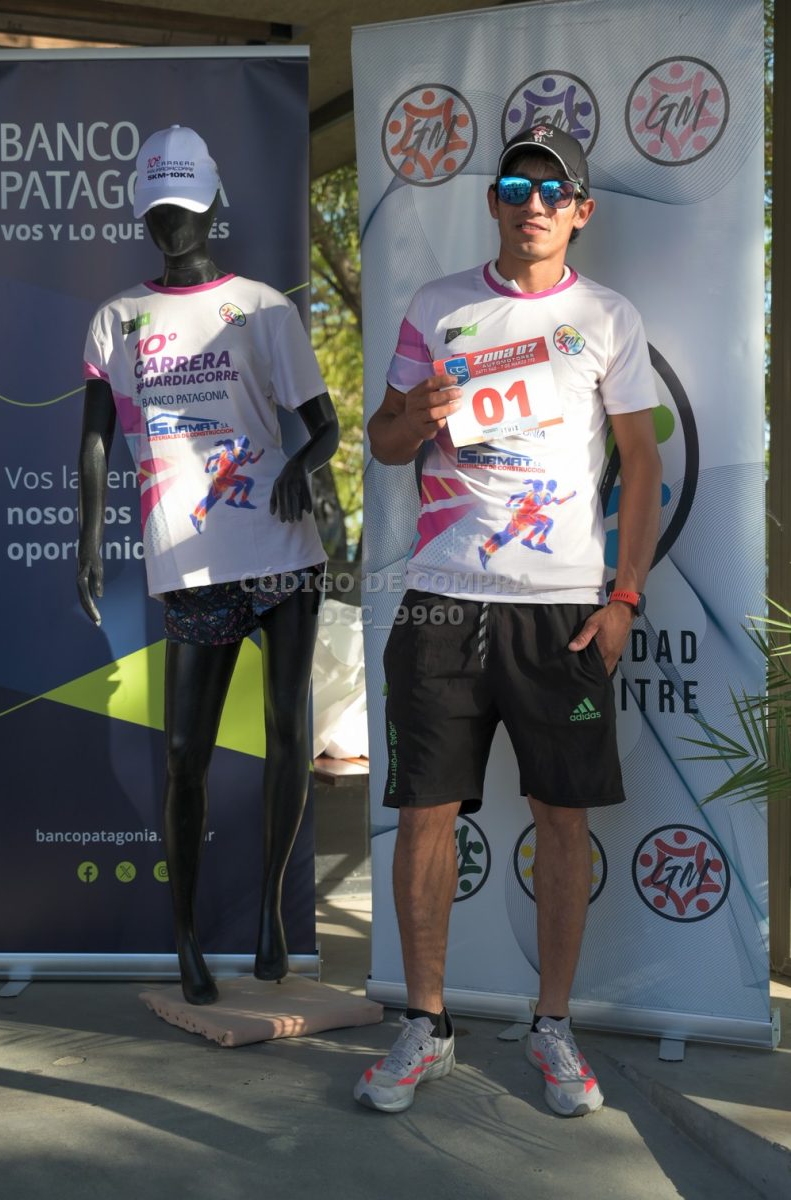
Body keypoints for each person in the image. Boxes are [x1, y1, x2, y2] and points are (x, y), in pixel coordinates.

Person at [355, 124, 661, 1116]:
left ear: (581, 212)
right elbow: (385, 439)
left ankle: (553, 1026)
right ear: (493, 200)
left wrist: (623, 597)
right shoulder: (438, 306)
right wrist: (417, 416)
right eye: (515, 185)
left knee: (561, 818)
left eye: (552, 190)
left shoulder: (607, 317)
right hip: (442, 598)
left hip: (561, 607)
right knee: (423, 815)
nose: (533, 203)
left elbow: (642, 463)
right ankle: (426, 1024)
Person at [77, 126, 339, 1005]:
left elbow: (325, 426)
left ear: (214, 204)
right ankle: (186, 937)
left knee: (287, 734)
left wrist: (302, 466)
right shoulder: (117, 320)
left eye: (185, 208)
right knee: (185, 753)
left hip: (281, 553)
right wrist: (88, 542)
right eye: (158, 211)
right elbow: (96, 439)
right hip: (191, 566)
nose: (173, 225)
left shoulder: (263, 309)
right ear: (142, 212)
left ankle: (269, 916)